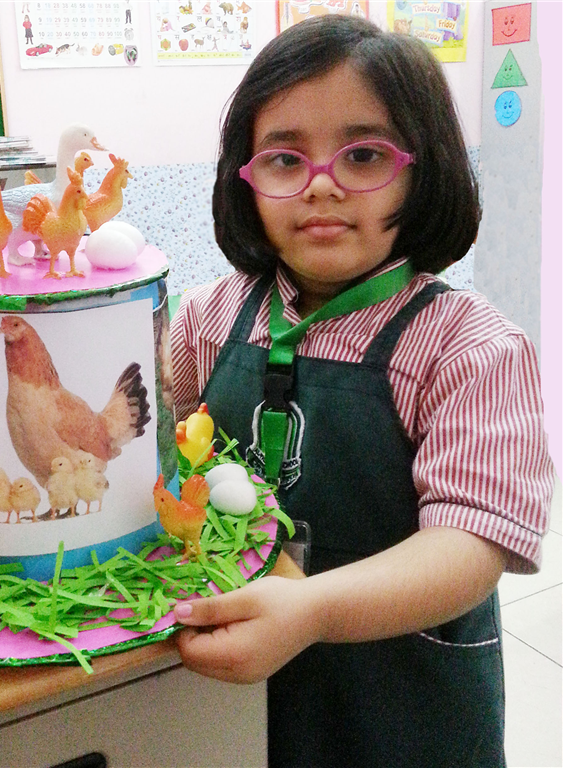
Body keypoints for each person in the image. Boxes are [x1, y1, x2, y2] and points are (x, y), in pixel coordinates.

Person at [169, 14, 554, 768]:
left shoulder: (469, 347)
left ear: (423, 169)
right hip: (237, 699)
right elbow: (167, 465)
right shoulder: (207, 318)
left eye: (365, 154)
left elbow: (471, 545)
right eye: (285, 159)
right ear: (245, 177)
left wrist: (312, 610)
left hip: (403, 707)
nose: (321, 184)